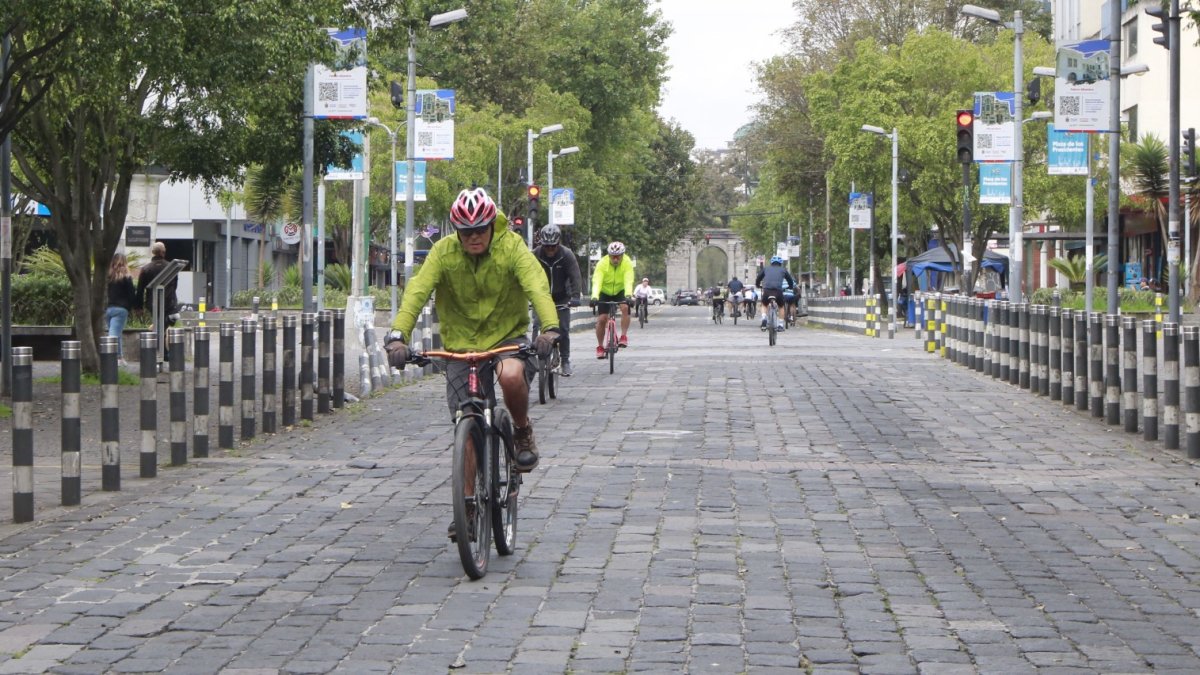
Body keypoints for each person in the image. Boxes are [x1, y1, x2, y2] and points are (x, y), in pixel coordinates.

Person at [384, 188, 560, 489]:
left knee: (512, 376)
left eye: (480, 230)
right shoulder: (443, 252)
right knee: (465, 421)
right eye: (466, 233)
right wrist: (398, 335)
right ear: (456, 231)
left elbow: (537, 287)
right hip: (461, 346)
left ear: (492, 225)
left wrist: (549, 328)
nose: (474, 237)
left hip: (507, 337)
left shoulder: (513, 247)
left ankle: (521, 430)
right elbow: (417, 291)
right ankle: (466, 508)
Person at [532, 224, 582, 377]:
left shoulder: (566, 255)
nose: (550, 250)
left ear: (558, 243)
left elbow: (575, 276)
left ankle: (565, 360)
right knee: (536, 325)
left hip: (562, 296)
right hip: (542, 296)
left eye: (553, 247)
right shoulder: (535, 255)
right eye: (547, 247)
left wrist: (575, 296)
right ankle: (534, 358)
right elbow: (526, 275)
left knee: (564, 329)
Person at [136, 241, 181, 364]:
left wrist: (139, 306)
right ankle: (163, 352)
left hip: (153, 303)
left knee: (160, 324)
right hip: (169, 302)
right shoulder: (171, 267)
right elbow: (175, 285)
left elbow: (140, 289)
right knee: (170, 320)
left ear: (153, 252)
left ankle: (162, 349)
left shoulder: (146, 269)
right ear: (163, 252)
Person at [591, 241, 635, 357]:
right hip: (604, 291)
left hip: (620, 290)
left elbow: (628, 280)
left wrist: (629, 295)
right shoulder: (602, 263)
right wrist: (594, 296)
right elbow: (597, 281)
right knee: (602, 319)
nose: (615, 260)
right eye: (613, 257)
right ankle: (600, 346)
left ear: (622, 255)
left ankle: (623, 336)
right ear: (609, 255)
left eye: (618, 257)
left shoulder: (627, 262)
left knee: (625, 307)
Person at [106, 252, 138, 366]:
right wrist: (133, 307)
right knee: (114, 334)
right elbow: (131, 294)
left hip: (107, 308)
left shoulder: (108, 275)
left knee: (115, 333)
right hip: (121, 309)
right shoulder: (126, 277)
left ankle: (119, 357)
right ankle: (112, 358)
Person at [755, 256, 797, 331]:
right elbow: (790, 280)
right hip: (778, 291)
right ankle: (780, 325)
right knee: (781, 306)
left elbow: (758, 278)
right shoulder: (783, 270)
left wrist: (758, 285)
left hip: (767, 290)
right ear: (780, 263)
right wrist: (790, 286)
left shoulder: (766, 269)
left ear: (771, 263)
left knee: (764, 304)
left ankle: (764, 318)